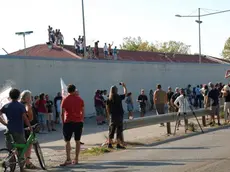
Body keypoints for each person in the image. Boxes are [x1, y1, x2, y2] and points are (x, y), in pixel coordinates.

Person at [0, 89, 32, 171]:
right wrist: (30, 126)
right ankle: (22, 168)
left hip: (9, 131)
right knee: (21, 150)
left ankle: (12, 168)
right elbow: (25, 118)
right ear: (18, 96)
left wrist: (4, 123)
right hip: (18, 131)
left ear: (10, 96)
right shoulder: (20, 106)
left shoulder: (6, 106)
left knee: (11, 151)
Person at [60, 84, 84, 166]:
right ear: (74, 90)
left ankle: (68, 159)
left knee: (67, 141)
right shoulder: (80, 99)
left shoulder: (65, 99)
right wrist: (82, 120)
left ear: (68, 90)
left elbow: (62, 113)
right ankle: (76, 159)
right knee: (77, 141)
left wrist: (63, 123)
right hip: (78, 122)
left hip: (68, 122)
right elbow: (83, 111)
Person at [106, 82, 127, 149]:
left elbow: (107, 109)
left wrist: (109, 115)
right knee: (119, 130)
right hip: (119, 115)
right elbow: (125, 94)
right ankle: (118, 144)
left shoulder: (108, 99)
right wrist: (124, 86)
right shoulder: (118, 97)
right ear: (116, 90)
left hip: (113, 116)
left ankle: (109, 144)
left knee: (112, 130)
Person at [20, 90, 37, 169]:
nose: (31, 98)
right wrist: (29, 109)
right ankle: (28, 163)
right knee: (28, 145)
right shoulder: (27, 105)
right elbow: (30, 118)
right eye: (30, 97)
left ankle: (23, 162)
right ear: (27, 98)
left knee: (22, 146)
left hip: (20, 128)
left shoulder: (19, 104)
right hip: (27, 128)